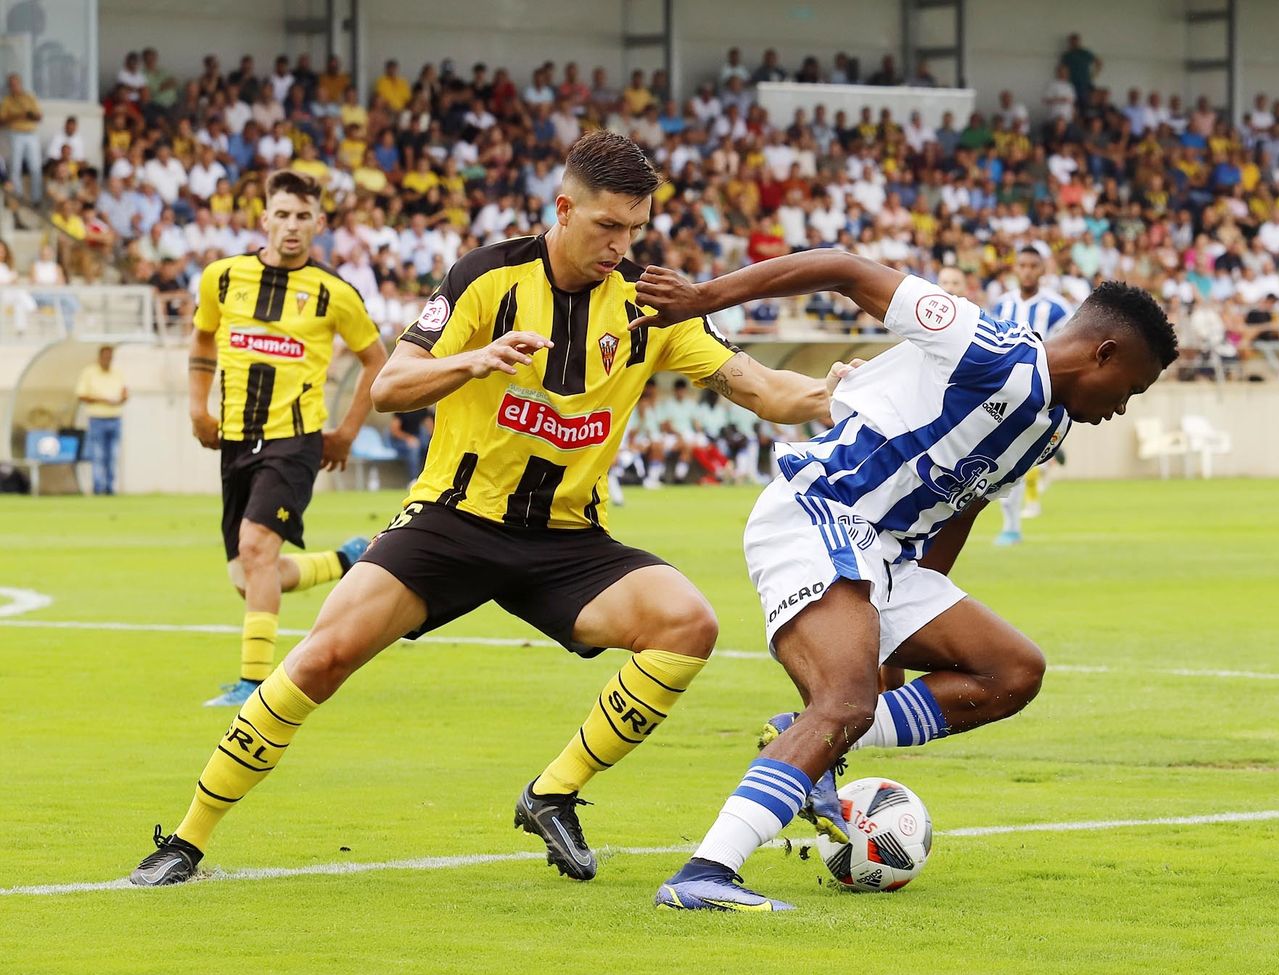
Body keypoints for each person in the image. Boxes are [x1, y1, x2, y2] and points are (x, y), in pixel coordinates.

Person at [130, 131, 850, 888]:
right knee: (322, 656)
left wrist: (828, 394)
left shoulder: (649, 303)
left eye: (635, 229)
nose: (621, 245)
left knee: (688, 623)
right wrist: (473, 359)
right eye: (607, 226)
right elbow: (389, 386)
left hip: (566, 539)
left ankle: (553, 793)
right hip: (453, 522)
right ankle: (186, 838)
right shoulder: (487, 276)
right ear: (563, 209)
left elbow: (759, 387)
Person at [633, 248, 1176, 911]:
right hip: (823, 512)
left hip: (886, 556)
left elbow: (963, 506)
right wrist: (704, 298)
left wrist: (897, 623)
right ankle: (704, 873)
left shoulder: (1048, 427)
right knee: (846, 701)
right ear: (1103, 353)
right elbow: (845, 269)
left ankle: (808, 736)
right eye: (1129, 390)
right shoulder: (985, 345)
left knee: (1012, 671)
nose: (1121, 408)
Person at [182, 169, 389, 709]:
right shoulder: (222, 278)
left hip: (295, 439)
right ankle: (344, 561)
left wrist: (346, 432)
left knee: (256, 550)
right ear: (264, 219)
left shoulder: (333, 293)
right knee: (248, 574)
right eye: (282, 215)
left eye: (303, 217)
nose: (292, 226)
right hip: (235, 438)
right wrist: (197, 408)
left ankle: (254, 684)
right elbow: (202, 338)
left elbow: (376, 361)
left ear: (318, 223)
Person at [990, 245, 1074, 545]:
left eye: (1032, 266)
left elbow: (1070, 348)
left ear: (1042, 270)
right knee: (1006, 462)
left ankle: (1049, 451)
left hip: (1044, 395)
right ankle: (1011, 526)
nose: (1027, 271)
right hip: (1006, 393)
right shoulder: (1002, 305)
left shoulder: (1057, 308)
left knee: (1017, 460)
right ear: (1015, 268)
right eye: (1022, 265)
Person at [75, 345, 128, 495]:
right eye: (105, 356)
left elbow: (124, 392)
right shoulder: (89, 372)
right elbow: (82, 395)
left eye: (110, 357)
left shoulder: (117, 373)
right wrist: (103, 400)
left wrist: (121, 398)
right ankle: (98, 488)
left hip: (115, 418)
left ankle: (110, 488)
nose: (107, 359)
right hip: (97, 419)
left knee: (112, 456)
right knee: (98, 455)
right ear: (99, 357)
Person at [0, 73, 43, 202]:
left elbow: (39, 116)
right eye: (11, 85)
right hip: (15, 134)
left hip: (31, 134)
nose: (14, 87)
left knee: (35, 166)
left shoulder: (29, 97)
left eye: (16, 84)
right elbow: (2, 120)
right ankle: (17, 197)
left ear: (20, 84)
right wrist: (18, 115)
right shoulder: (7, 100)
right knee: (15, 166)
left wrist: (28, 114)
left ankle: (36, 198)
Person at [388, 406, 433, 483]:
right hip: (399, 441)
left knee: (428, 445)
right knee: (414, 448)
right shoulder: (402, 408)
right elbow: (394, 431)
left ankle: (429, 479)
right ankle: (414, 480)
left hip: (416, 439)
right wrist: (408, 438)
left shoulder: (422, 407)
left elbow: (430, 426)